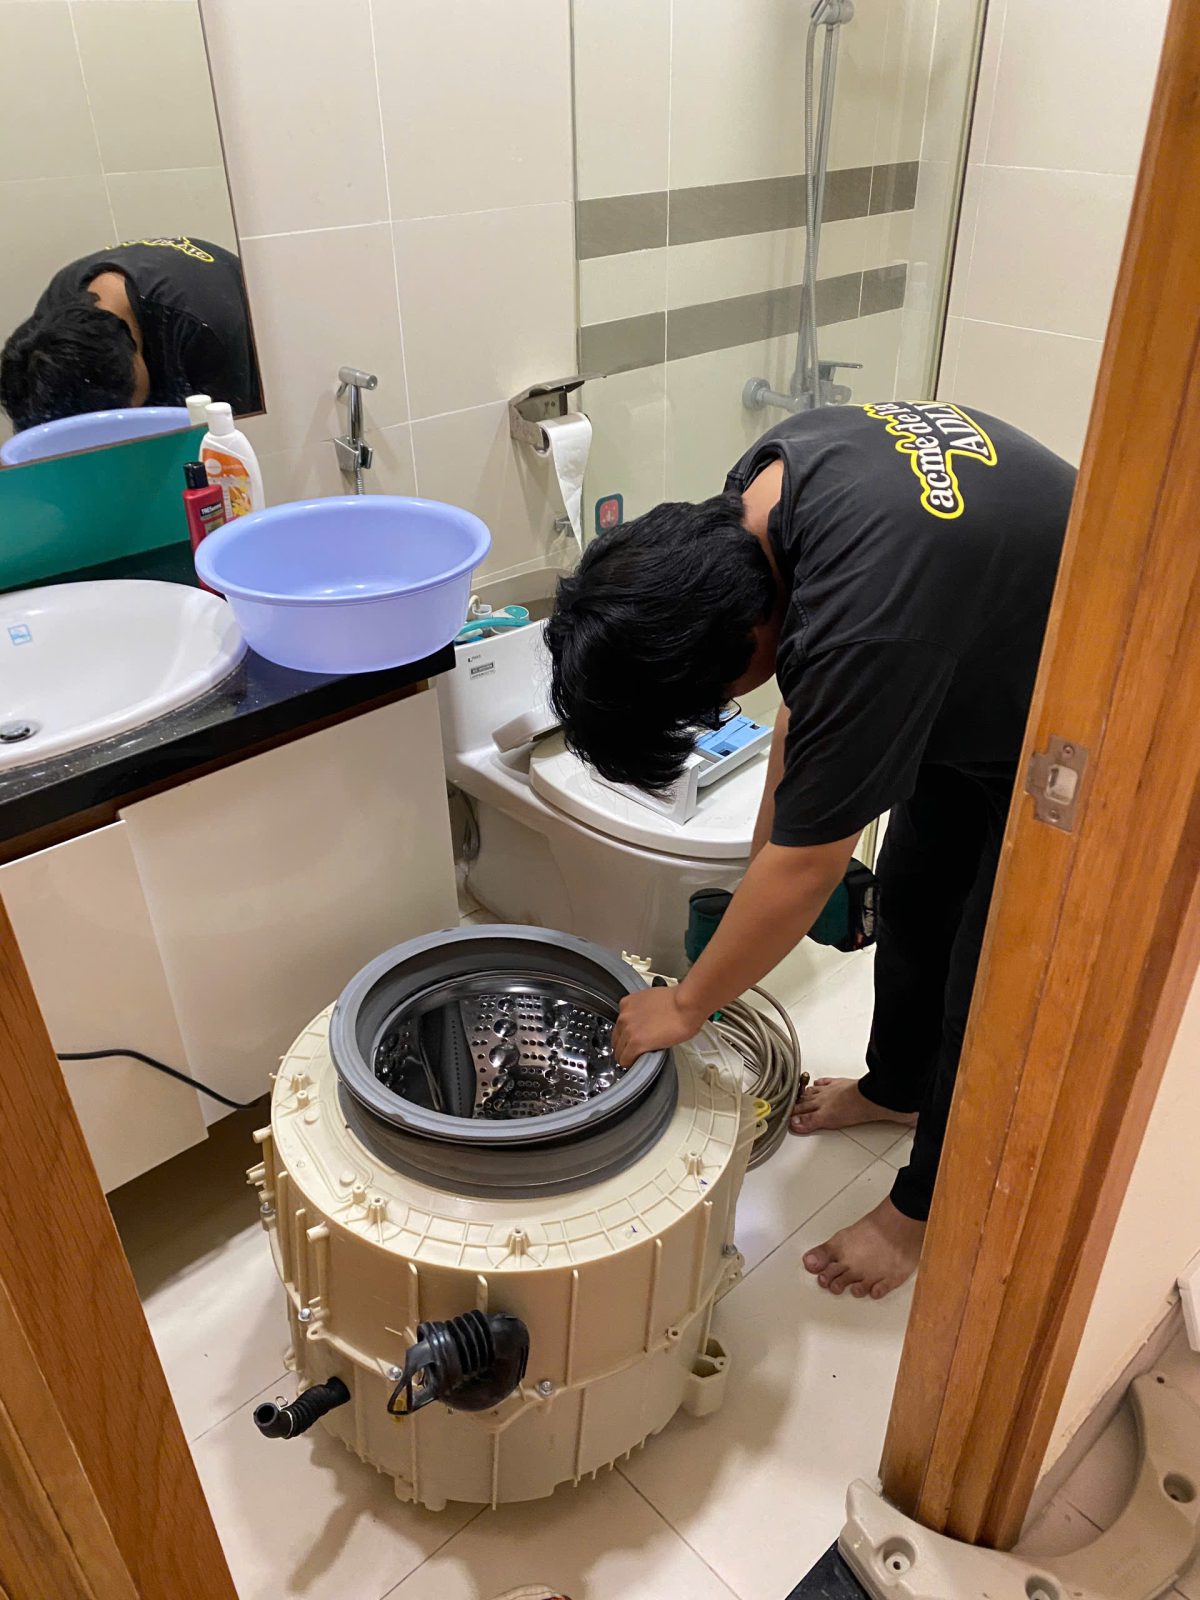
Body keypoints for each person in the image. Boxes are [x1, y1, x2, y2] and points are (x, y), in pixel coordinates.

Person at [545, 401, 1076, 1301]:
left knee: (985, 981)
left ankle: (924, 1207)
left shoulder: (863, 627)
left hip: (1070, 713)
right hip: (972, 654)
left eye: (709, 701)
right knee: (915, 893)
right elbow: (805, 702)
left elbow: (809, 860)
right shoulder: (761, 496)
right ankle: (898, 1089)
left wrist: (687, 1004)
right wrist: (770, 855)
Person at [0, 235, 261, 432]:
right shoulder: (54, 311)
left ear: (135, 355)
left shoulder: (205, 324)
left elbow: (237, 440)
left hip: (232, 330)